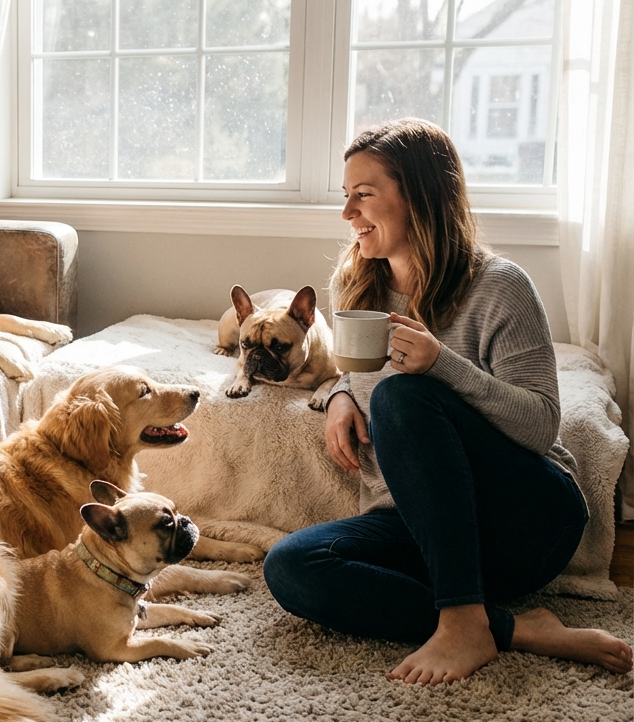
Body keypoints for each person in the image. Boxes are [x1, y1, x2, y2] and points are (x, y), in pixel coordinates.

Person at [262, 118, 633, 685]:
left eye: (364, 195)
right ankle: (511, 628)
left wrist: (442, 365)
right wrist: (339, 392)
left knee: (404, 397)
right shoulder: (356, 286)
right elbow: (357, 375)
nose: (347, 214)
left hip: (528, 522)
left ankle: (462, 621)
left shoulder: (501, 285)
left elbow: (540, 424)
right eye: (346, 197)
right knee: (292, 567)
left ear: (420, 195)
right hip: (424, 529)